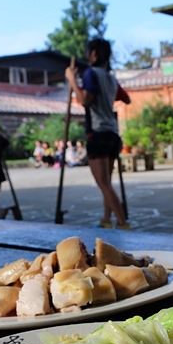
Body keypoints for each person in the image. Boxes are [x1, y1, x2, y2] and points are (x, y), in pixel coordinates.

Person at [65, 38, 131, 229]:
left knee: (103, 183)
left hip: (98, 133)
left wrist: (72, 80)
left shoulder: (90, 74)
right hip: (112, 133)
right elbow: (126, 99)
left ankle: (122, 222)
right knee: (107, 183)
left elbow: (84, 101)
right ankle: (106, 219)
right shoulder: (111, 78)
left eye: (89, 52)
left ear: (94, 54)